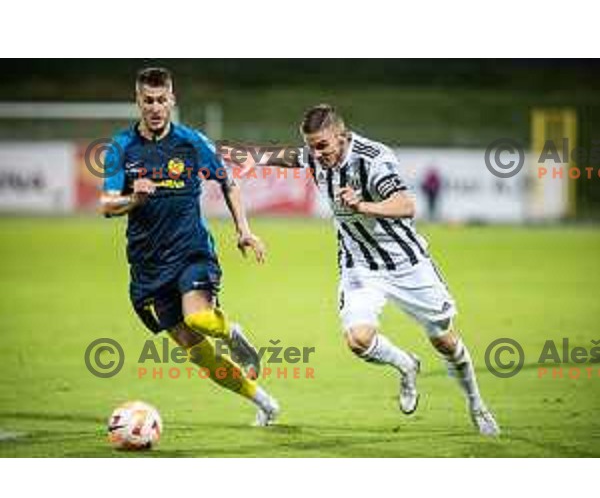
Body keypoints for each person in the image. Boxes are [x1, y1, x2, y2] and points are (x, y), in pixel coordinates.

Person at [228, 104, 498, 435]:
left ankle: (477, 405)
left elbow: (406, 205)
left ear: (342, 136)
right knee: (358, 340)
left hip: (407, 264)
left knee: (445, 341)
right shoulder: (314, 155)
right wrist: (242, 155)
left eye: (323, 146)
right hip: (359, 265)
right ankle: (406, 365)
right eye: (312, 146)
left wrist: (362, 205)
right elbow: (284, 156)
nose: (318, 154)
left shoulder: (373, 158)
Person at [99, 67, 279, 426]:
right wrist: (134, 199)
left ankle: (232, 332)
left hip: (191, 251)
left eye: (161, 100)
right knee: (198, 354)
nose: (155, 107)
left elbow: (228, 183)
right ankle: (264, 402)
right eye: (147, 100)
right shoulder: (121, 147)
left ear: (172, 100)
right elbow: (107, 205)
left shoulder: (191, 142)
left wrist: (243, 230)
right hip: (149, 266)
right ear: (138, 102)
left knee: (198, 315)